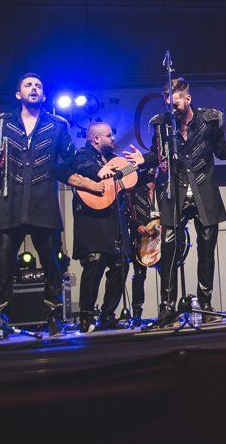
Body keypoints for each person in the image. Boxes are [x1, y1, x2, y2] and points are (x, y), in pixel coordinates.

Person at [0, 73, 102, 335]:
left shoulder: (57, 125)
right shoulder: (2, 124)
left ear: (43, 95)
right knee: (3, 264)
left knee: (52, 263)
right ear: (18, 94)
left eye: (38, 86)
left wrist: (96, 172)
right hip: (11, 203)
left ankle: (53, 314)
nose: (34, 88)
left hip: (44, 204)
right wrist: (5, 184)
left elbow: (72, 159)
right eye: (28, 85)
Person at [141, 77, 226, 325]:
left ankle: (206, 304)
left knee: (207, 248)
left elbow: (220, 151)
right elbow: (157, 155)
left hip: (203, 190)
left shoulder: (210, 119)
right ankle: (167, 308)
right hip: (174, 191)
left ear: (187, 99)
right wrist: (141, 161)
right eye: (168, 102)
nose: (172, 106)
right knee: (169, 248)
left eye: (176, 102)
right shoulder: (161, 125)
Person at [71, 122, 142, 332]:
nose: (113, 139)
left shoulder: (114, 160)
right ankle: (86, 316)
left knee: (121, 264)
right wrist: (98, 170)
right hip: (92, 220)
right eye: (109, 135)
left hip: (114, 220)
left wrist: (141, 163)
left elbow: (127, 176)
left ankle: (108, 314)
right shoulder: (83, 154)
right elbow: (80, 166)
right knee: (95, 263)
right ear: (96, 139)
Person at [124, 167, 159, 326]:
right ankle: (137, 313)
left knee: (166, 272)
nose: (153, 176)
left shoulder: (164, 190)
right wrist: (137, 226)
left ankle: (167, 308)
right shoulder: (135, 193)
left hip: (161, 239)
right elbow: (126, 215)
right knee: (139, 275)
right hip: (141, 239)